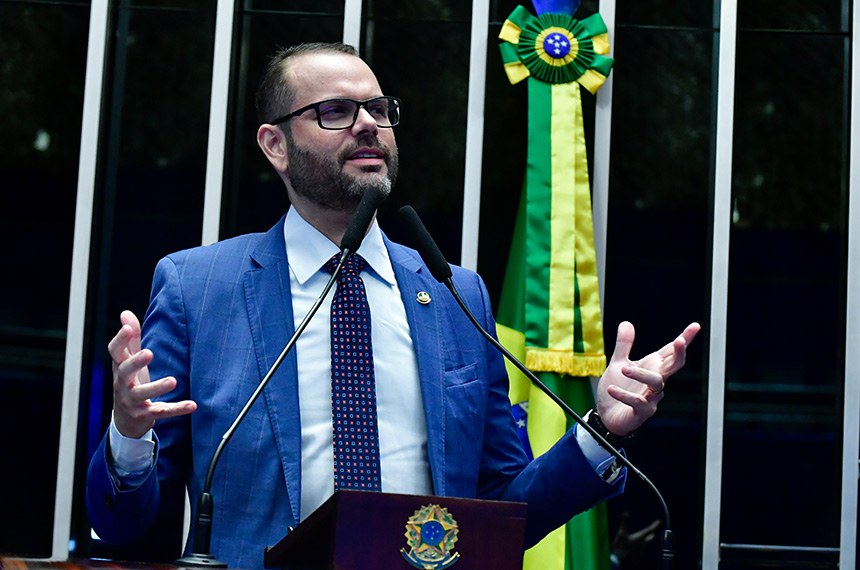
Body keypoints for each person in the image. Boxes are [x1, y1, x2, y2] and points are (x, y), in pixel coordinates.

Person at [86, 42, 700, 569]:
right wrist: (129, 437)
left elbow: (507, 512)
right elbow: (122, 525)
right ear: (274, 144)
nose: (367, 125)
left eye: (378, 109)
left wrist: (599, 435)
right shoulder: (199, 287)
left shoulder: (457, 294)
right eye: (334, 111)